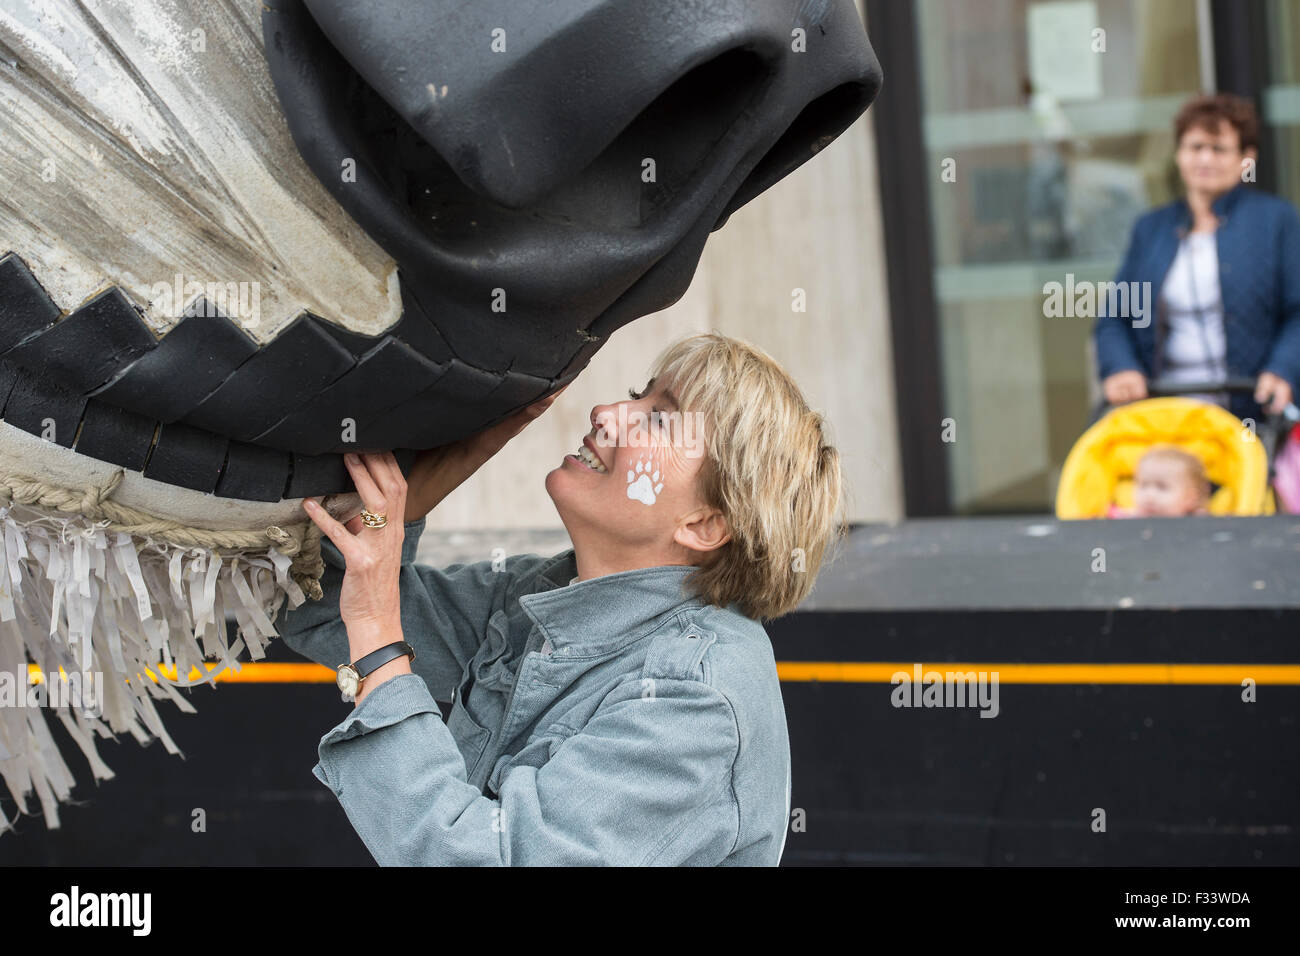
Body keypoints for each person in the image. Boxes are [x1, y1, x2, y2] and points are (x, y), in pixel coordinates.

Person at [274, 331, 846, 865]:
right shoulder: (542, 596)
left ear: (705, 523)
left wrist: (377, 628)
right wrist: (442, 471)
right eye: (635, 396)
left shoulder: (695, 699)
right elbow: (320, 610)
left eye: (661, 419)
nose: (608, 413)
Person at [1093, 93, 1300, 420]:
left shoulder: (1277, 221)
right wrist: (1121, 368)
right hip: (1167, 414)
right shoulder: (1151, 229)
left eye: (1218, 149)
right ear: (1178, 154)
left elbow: (1297, 313)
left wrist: (1283, 369)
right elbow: (1115, 319)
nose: (1205, 159)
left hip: (1251, 414)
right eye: (1195, 147)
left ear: (1247, 159)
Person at [1107, 445, 1210, 518]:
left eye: (1162, 487)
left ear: (1190, 497)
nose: (1149, 495)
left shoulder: (1201, 524)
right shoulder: (1127, 518)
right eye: (1143, 485)